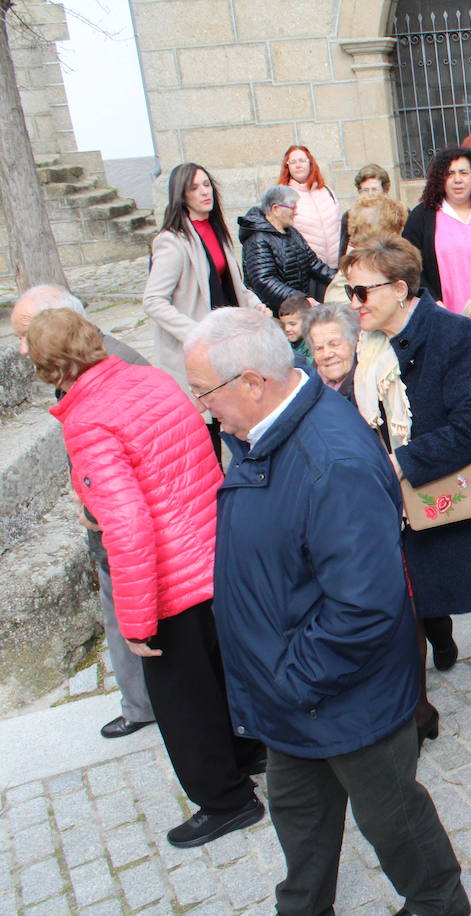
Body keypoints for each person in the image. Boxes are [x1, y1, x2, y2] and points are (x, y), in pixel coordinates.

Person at [182, 308, 470, 916]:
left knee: (393, 821)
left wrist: (288, 678)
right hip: (292, 696)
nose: (201, 407)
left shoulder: (329, 462)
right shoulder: (265, 436)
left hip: (339, 697)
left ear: (254, 383)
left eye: (204, 391)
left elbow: (365, 606)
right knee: (299, 821)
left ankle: (439, 906)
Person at [30, 308, 264, 849]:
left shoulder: (88, 421)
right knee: (222, 675)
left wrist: (136, 620)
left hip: (168, 579)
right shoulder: (150, 379)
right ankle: (251, 752)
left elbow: (128, 525)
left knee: (184, 702)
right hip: (213, 554)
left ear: (50, 367)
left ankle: (226, 801)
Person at [344, 235, 471, 726]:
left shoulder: (452, 333)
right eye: (350, 292)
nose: (354, 303)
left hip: (457, 484)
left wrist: (402, 461)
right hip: (400, 492)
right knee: (419, 589)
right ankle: (434, 662)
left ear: (400, 288)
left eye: (362, 292)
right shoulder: (368, 345)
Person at [10, 287, 154, 740]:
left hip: (125, 525)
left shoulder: (113, 369)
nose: (19, 347)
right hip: (111, 515)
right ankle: (141, 701)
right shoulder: (87, 364)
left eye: (25, 336)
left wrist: (97, 505)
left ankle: (145, 706)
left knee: (126, 612)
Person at [143, 162, 264, 402]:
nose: (204, 192)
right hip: (198, 350)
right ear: (182, 195)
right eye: (195, 187)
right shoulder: (172, 241)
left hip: (226, 341)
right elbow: (153, 300)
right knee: (210, 421)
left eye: (207, 185)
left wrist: (256, 305)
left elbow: (232, 285)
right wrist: (193, 332)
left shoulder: (217, 230)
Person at [401, 145, 471, 311]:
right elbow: (407, 266)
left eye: (464, 173)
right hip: (443, 317)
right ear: (440, 179)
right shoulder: (422, 217)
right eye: (450, 174)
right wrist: (432, 301)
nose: (458, 179)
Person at [238, 185, 336, 315]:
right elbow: (265, 281)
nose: (296, 212)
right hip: (273, 314)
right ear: (276, 209)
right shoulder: (257, 239)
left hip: (295, 308)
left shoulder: (291, 232)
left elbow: (312, 263)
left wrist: (340, 278)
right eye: (292, 207)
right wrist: (301, 299)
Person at [278, 146, 341, 288]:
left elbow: (339, 226)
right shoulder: (284, 196)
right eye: (292, 162)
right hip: (309, 274)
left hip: (336, 269)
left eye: (302, 160)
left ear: (310, 163)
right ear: (287, 167)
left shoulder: (327, 191)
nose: (298, 165)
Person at [303, 302, 359, 401]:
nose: (326, 354)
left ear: (354, 342)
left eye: (334, 344)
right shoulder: (306, 388)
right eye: (318, 348)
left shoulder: (370, 388)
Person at [339, 163, 392, 248]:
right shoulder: (349, 216)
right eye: (366, 190)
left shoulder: (397, 213)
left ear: (384, 190)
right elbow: (343, 252)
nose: (370, 194)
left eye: (374, 189)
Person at [277, 295, 313, 364]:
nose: (287, 329)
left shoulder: (314, 342)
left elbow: (314, 365)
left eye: (292, 324)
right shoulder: (283, 340)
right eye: (283, 325)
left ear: (307, 321)